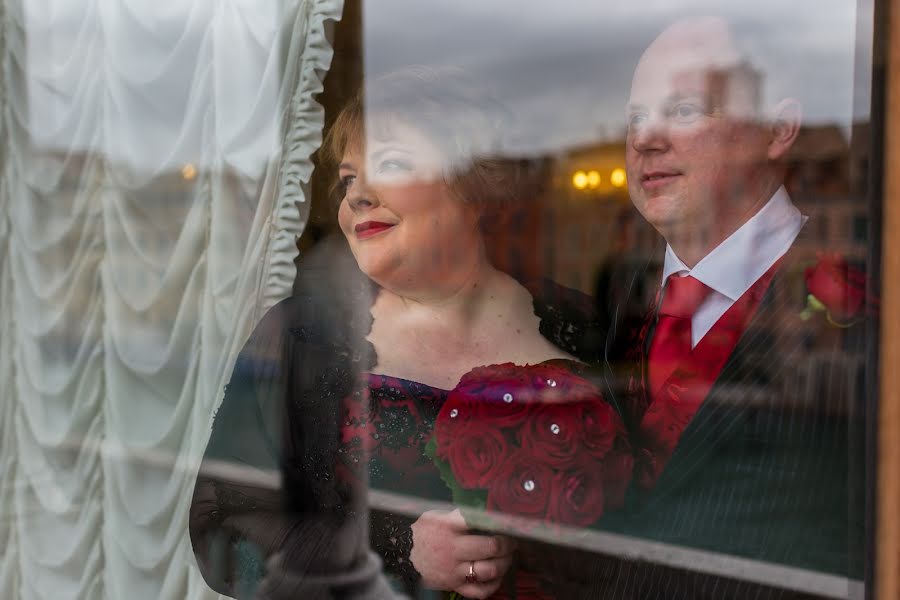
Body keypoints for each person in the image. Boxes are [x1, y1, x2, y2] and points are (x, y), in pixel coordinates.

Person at [189, 68, 613, 600]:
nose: (357, 197)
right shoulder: (302, 335)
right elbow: (222, 529)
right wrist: (395, 551)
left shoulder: (583, 326)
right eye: (347, 179)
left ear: (473, 182)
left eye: (389, 165)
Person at [594, 15, 868, 598]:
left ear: (778, 128)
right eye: (635, 117)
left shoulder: (863, 317)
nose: (644, 139)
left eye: (685, 110)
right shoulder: (620, 300)